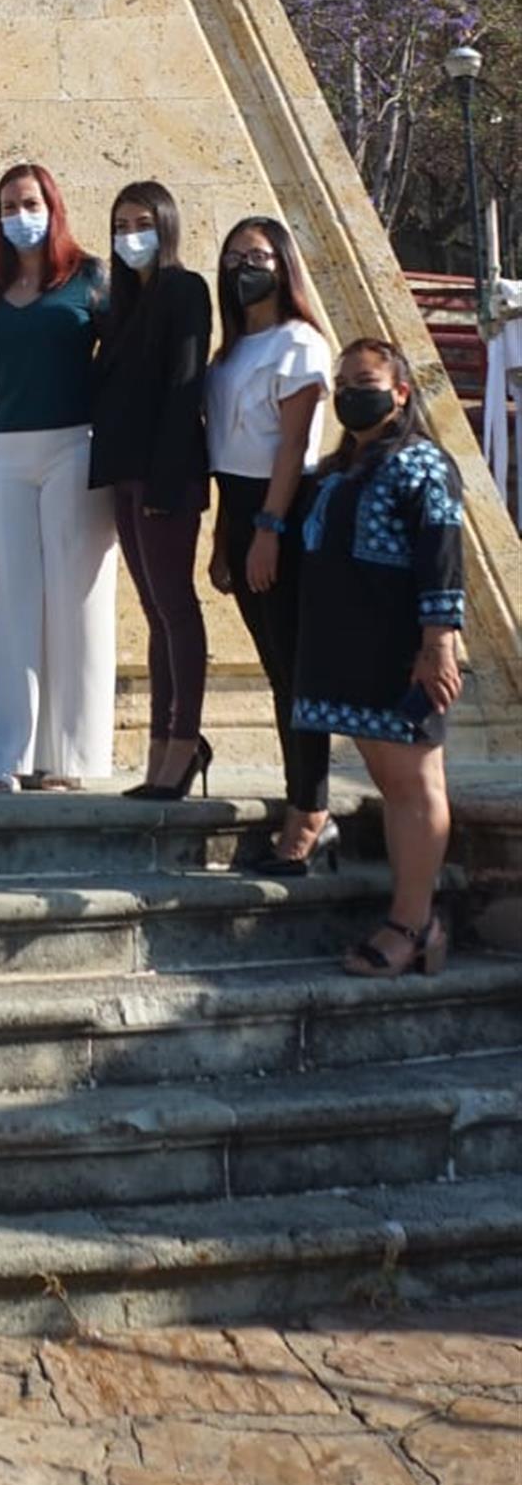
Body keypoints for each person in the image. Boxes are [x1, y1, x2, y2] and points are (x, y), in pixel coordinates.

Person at [293, 339, 465, 976]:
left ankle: (414, 924)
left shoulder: (424, 464)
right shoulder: (342, 468)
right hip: (348, 647)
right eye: (342, 381)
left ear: (400, 392)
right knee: (392, 785)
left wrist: (438, 642)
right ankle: (415, 918)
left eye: (363, 380)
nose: (348, 391)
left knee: (415, 784)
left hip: (400, 648)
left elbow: (441, 551)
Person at [0, 163, 113, 790]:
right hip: (5, 449)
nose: (18, 215)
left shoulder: (87, 276)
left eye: (29, 203)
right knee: (11, 604)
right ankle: (11, 757)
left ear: (51, 206)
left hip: (74, 445)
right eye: (7, 206)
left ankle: (74, 758)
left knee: (76, 601)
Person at [204, 215, 335, 871]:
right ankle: (301, 797)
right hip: (238, 503)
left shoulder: (299, 344)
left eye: (256, 256)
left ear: (283, 266)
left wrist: (268, 530)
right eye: (233, 257)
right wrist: (225, 538)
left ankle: (309, 806)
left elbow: (291, 446)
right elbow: (225, 449)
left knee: (296, 669)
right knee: (276, 664)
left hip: (282, 507)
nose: (243, 268)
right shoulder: (230, 353)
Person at [89, 180, 214, 799]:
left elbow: (185, 383)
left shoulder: (183, 289)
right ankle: (163, 749)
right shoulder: (121, 303)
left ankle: (184, 741)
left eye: (141, 222)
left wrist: (166, 481)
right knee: (154, 613)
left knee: (176, 607)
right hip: (125, 470)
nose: (130, 234)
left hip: (167, 473)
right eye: (120, 224)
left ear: (164, 226)